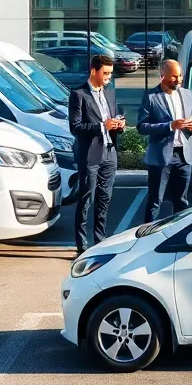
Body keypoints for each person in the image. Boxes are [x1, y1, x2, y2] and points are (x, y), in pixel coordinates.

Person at [67, 54, 124, 255]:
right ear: (94, 71)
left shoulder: (109, 92)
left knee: (105, 198)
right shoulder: (78, 95)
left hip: (110, 153)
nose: (109, 76)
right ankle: (81, 244)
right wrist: (102, 126)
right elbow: (75, 127)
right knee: (86, 199)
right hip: (90, 154)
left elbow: (113, 117)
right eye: (106, 73)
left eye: (110, 73)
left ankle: (100, 240)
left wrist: (118, 124)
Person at [136, 59, 192, 223]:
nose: (178, 79)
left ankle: (179, 236)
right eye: (174, 76)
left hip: (184, 156)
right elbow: (141, 126)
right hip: (161, 157)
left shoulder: (188, 94)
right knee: (155, 202)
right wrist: (169, 126)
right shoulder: (151, 97)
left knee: (182, 201)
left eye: (180, 75)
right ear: (162, 75)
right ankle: (146, 239)